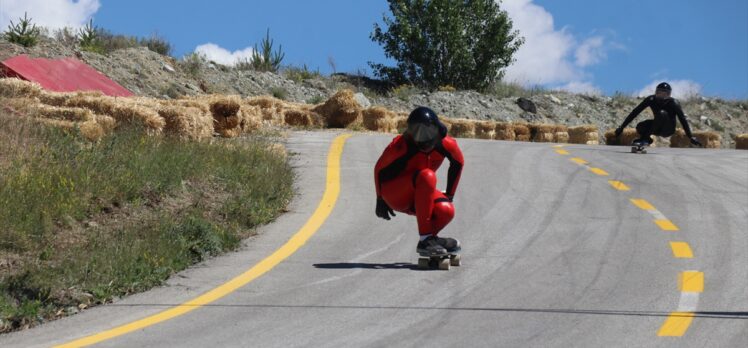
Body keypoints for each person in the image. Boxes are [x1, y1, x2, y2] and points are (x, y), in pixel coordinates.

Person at [374, 106, 464, 256]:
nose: (423, 137)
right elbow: (379, 168)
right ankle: (425, 240)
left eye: (428, 132)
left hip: (421, 192)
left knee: (446, 210)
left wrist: (450, 195)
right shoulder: (400, 145)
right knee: (427, 176)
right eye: (417, 132)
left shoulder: (446, 144)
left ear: (437, 129)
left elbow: (458, 162)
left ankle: (430, 239)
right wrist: (380, 199)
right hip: (396, 194)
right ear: (410, 133)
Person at [615, 82, 702, 147]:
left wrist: (690, 137)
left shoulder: (673, 103)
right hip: (657, 127)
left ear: (669, 95)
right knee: (640, 126)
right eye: (659, 93)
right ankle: (648, 140)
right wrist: (622, 127)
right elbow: (635, 112)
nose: (662, 96)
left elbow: (682, 119)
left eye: (665, 94)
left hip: (668, 129)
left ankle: (644, 139)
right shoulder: (651, 99)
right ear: (656, 92)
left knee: (662, 113)